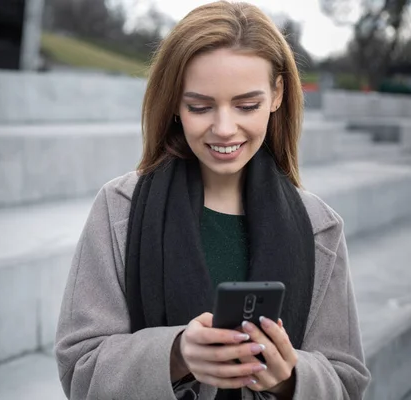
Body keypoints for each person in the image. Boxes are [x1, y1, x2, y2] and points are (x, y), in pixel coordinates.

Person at [54, 1, 371, 399]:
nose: (224, 128)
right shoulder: (120, 209)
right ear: (174, 103)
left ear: (277, 95)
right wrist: (175, 354)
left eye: (247, 105)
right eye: (200, 106)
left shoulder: (320, 227)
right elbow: (79, 369)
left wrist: (289, 379)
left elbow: (348, 382)